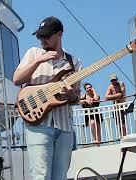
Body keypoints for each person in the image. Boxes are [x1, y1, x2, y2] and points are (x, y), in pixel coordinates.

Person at [13, 17, 82, 180]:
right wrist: (38, 61)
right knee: (41, 175)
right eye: (40, 36)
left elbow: (77, 97)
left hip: (64, 126)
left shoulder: (74, 62)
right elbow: (16, 79)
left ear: (59, 34)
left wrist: (72, 96)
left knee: (60, 177)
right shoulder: (33, 53)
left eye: (46, 36)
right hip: (38, 124)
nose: (42, 40)